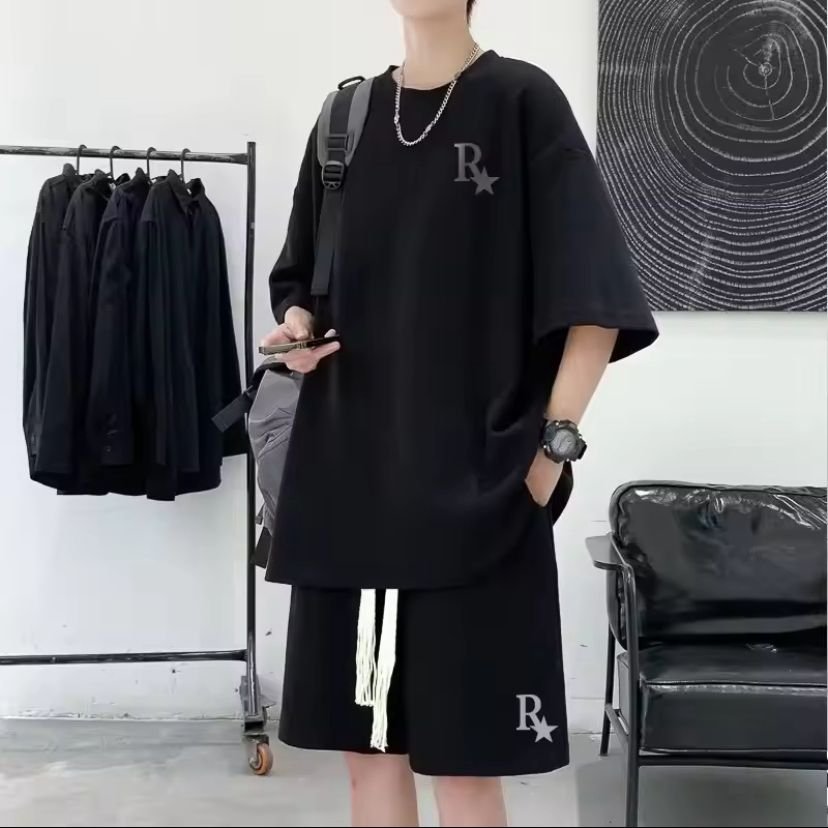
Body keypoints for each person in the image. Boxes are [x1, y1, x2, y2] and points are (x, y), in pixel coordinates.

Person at [262, 0, 658, 825]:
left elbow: (598, 302)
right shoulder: (343, 119)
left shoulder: (521, 102)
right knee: (368, 766)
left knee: (468, 771)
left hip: (480, 497)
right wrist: (298, 331)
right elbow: (302, 283)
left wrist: (549, 454)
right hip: (350, 494)